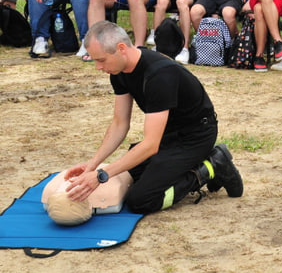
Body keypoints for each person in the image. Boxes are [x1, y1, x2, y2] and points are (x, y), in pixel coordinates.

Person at [64, 21, 243, 214]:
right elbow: (119, 123)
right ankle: (196, 165)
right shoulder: (118, 71)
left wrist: (101, 175)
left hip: (195, 137)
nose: (98, 67)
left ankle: (212, 165)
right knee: (130, 174)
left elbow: (150, 145)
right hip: (169, 136)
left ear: (121, 48)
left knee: (141, 199)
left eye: (101, 60)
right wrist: (92, 166)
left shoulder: (159, 74)